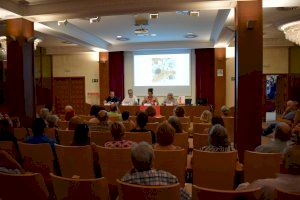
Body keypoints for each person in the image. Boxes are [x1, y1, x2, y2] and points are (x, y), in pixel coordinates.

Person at [121, 142, 191, 200]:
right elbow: (187, 198)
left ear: (133, 162)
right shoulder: (170, 179)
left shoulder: (125, 181)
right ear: (152, 161)